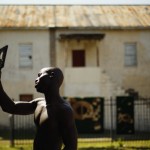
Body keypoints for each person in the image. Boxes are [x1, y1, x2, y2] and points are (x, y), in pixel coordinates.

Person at [0, 67, 78, 150]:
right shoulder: (39, 103)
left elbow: (71, 146)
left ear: (51, 76)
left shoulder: (63, 110)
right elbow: (10, 107)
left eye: (39, 75)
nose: (36, 79)